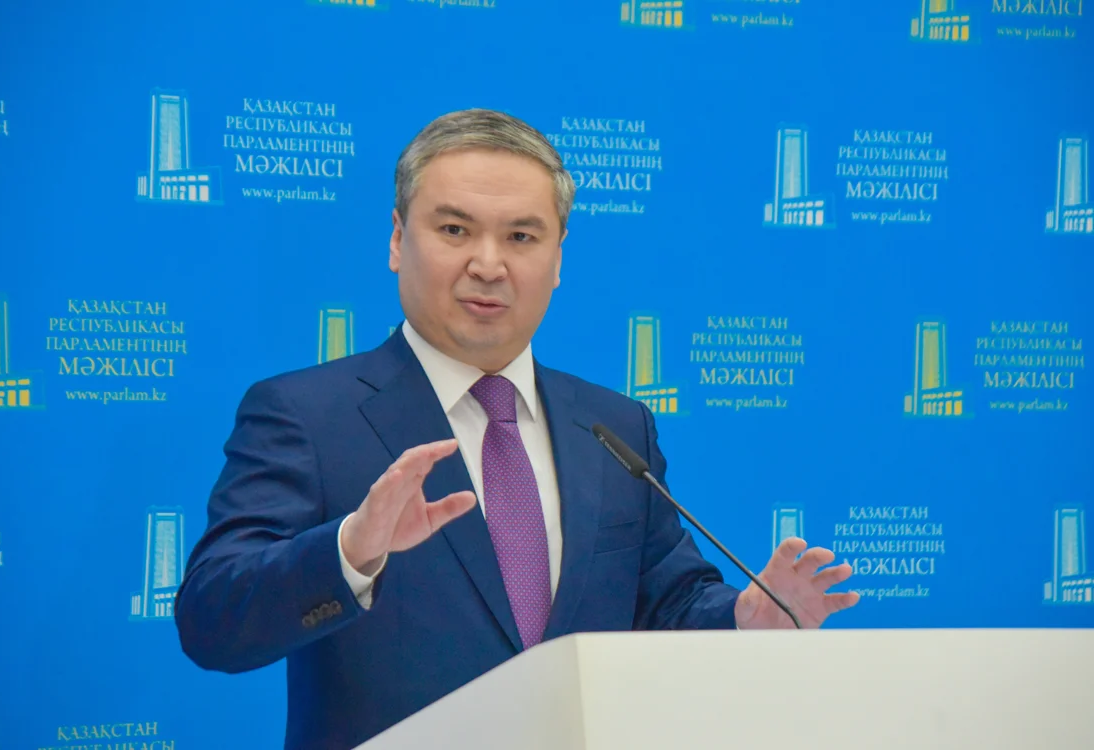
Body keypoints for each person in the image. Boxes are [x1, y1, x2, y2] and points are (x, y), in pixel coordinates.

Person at [175, 108, 859, 749]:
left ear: (557, 259)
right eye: (454, 230)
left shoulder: (614, 426)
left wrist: (743, 618)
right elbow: (211, 621)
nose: (488, 264)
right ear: (397, 239)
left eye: (521, 237)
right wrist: (351, 551)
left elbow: (669, 601)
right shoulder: (306, 415)